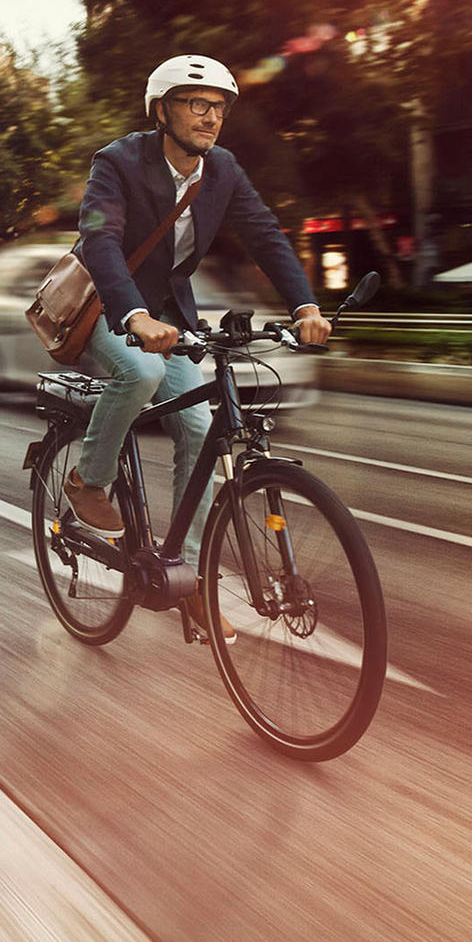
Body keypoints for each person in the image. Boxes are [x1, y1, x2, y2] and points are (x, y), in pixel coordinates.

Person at [62, 54, 332, 640]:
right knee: (140, 374)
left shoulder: (223, 170)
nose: (210, 117)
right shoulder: (118, 161)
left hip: (171, 315)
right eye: (196, 104)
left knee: (199, 428)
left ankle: (189, 579)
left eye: (218, 108)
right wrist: (132, 313)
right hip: (108, 304)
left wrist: (305, 305)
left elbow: (264, 234)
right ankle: (88, 480)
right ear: (162, 111)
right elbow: (101, 238)